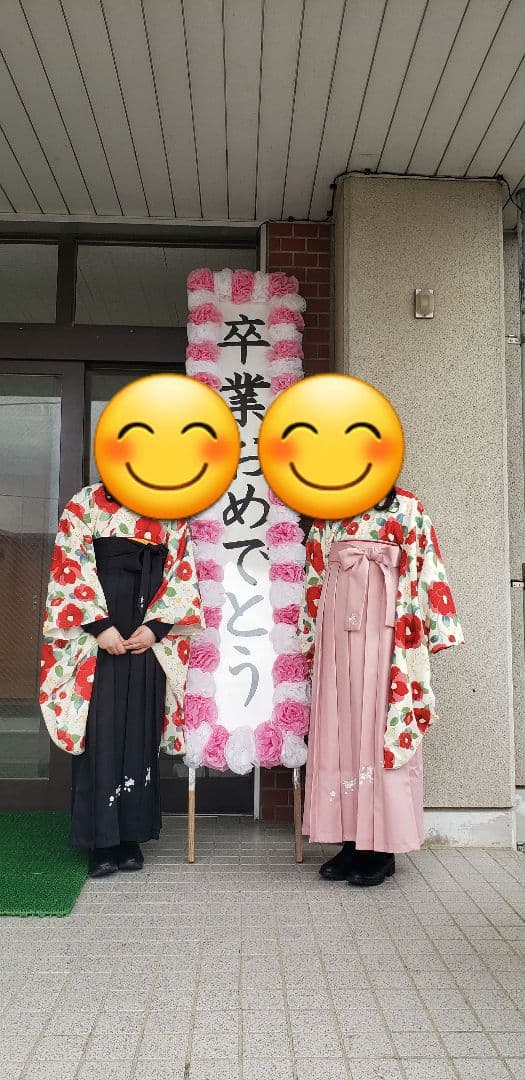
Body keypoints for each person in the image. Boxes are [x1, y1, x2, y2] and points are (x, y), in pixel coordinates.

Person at [299, 485, 464, 886]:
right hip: (337, 628)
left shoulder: (407, 507)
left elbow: (426, 565)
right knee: (340, 728)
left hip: (386, 629)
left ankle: (382, 849)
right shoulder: (329, 509)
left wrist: (429, 631)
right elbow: (315, 573)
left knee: (378, 726)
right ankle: (350, 842)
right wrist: (311, 637)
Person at [39, 483, 204, 878]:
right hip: (99, 641)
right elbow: (70, 564)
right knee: (102, 733)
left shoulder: (169, 507)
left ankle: (131, 837)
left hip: (145, 639)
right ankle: (101, 841)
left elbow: (181, 572)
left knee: (139, 731)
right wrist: (99, 627)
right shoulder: (87, 503)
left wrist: (157, 629)